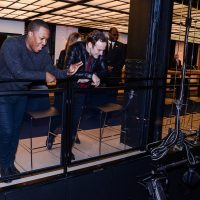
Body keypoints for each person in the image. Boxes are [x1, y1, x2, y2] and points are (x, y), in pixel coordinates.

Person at [0, 19, 82, 181]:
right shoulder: (11, 45)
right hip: (3, 94)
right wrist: (43, 76)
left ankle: (10, 163)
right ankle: (3, 166)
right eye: (41, 38)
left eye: (46, 39)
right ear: (30, 34)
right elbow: (18, 72)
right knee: (7, 131)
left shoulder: (42, 51)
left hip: (21, 94)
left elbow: (51, 69)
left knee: (15, 131)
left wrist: (67, 72)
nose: (44, 43)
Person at [47, 30, 108, 160]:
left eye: (103, 50)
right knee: (59, 118)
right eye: (99, 50)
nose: (101, 53)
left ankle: (67, 150)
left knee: (73, 122)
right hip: (65, 90)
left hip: (80, 92)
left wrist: (93, 76)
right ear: (90, 44)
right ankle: (51, 136)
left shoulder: (100, 51)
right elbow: (67, 70)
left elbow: (104, 70)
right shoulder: (75, 48)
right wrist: (90, 75)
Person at [46, 32, 82, 149]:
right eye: (79, 41)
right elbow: (61, 71)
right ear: (73, 42)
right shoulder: (63, 53)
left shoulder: (82, 54)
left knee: (73, 115)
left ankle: (73, 134)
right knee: (58, 115)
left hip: (75, 90)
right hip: (63, 89)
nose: (81, 44)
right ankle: (51, 137)